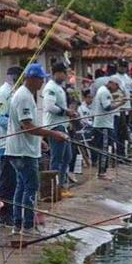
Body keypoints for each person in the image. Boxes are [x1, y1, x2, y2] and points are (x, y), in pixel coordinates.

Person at [5, 63, 68, 232]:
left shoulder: (25, 94)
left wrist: (40, 140)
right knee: (32, 187)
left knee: (21, 187)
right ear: (32, 79)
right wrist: (54, 135)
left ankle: (18, 224)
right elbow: (27, 125)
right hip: (23, 152)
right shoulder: (24, 96)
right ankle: (27, 225)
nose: (42, 83)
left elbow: (23, 125)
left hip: (20, 149)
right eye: (41, 79)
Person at [42, 62, 76, 193]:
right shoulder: (50, 88)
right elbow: (49, 107)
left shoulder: (59, 87)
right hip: (55, 127)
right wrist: (66, 112)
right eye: (64, 73)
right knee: (57, 159)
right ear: (57, 73)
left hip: (63, 126)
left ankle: (61, 185)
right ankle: (52, 189)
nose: (66, 76)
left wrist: (69, 113)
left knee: (67, 156)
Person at [0, 66, 18, 226]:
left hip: (14, 144)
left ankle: (12, 213)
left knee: (14, 181)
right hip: (4, 144)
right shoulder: (2, 94)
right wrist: (17, 124)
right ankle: (4, 214)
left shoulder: (14, 93)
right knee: (6, 181)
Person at [90, 78, 123, 179]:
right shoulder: (105, 92)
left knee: (104, 149)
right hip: (103, 125)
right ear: (112, 83)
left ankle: (102, 171)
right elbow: (107, 107)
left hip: (103, 124)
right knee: (104, 150)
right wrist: (120, 104)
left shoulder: (103, 91)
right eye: (116, 87)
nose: (116, 89)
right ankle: (102, 173)